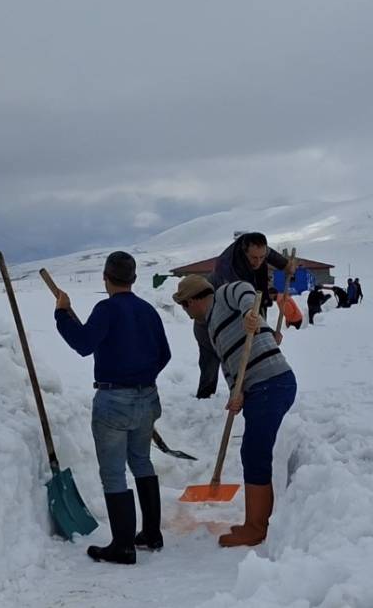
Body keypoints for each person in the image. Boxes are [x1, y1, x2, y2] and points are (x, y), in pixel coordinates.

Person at [53, 251, 171, 565]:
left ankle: (123, 546)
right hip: (147, 397)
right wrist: (143, 378)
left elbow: (83, 344)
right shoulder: (147, 310)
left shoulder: (106, 309)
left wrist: (62, 314)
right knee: (142, 461)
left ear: (105, 278)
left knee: (114, 473)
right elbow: (165, 354)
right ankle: (152, 534)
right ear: (134, 278)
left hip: (114, 400)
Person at [174, 275, 297, 547]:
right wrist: (235, 392)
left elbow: (246, 291)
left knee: (255, 453)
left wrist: (249, 314)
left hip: (272, 381)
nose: (185, 311)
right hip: (257, 388)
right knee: (252, 452)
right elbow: (230, 365)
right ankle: (255, 523)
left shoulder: (224, 295)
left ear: (192, 300)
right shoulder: (212, 329)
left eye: (184, 305)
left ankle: (256, 528)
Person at [192, 232, 290, 399]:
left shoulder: (255, 250)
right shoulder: (228, 270)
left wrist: (285, 265)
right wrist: (268, 333)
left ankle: (254, 390)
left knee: (251, 348)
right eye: (254, 258)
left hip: (245, 306)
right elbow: (244, 306)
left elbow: (270, 254)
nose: (258, 262)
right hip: (212, 318)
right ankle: (205, 398)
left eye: (261, 257)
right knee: (214, 358)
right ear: (244, 252)